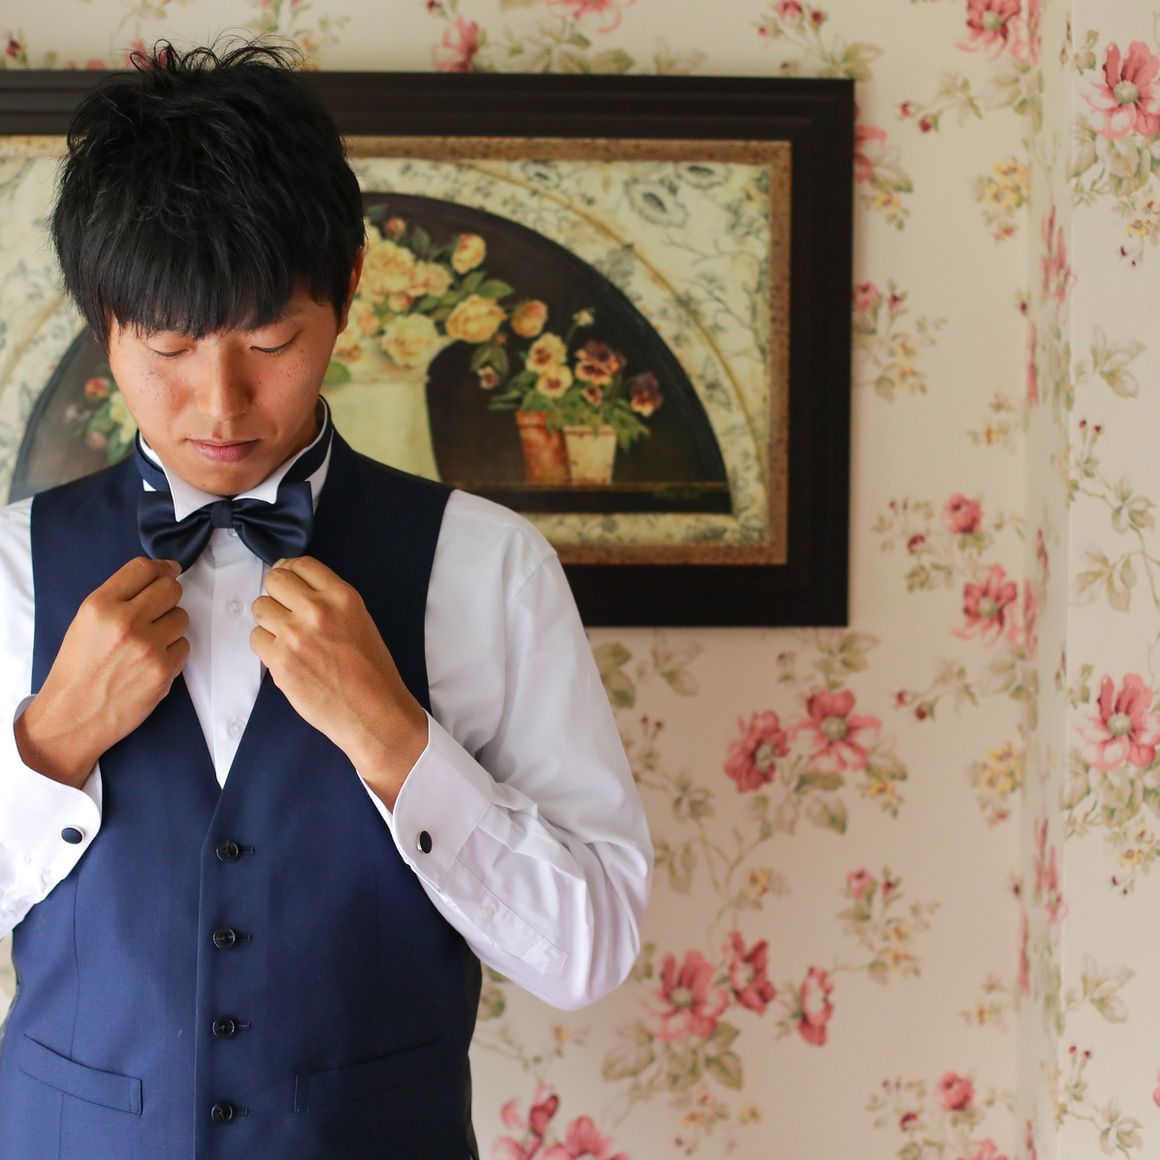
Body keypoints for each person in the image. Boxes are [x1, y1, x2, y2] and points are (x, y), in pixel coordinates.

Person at [0, 41, 650, 1160]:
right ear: (103, 319)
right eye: (169, 348)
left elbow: (589, 949)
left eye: (270, 341)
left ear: (348, 289)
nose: (222, 403)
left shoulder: (487, 566)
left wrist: (398, 741)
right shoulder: (10, 565)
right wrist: (49, 744)